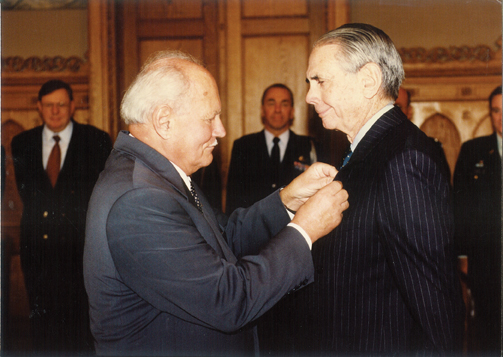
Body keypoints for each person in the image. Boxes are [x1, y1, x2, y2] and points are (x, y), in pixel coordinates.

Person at [83, 50, 349, 356]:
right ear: (164, 122)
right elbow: (228, 300)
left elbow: (221, 241)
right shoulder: (140, 198)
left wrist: (287, 200)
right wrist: (305, 229)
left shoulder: (156, 173)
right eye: (211, 118)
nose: (221, 130)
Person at [290, 23, 464, 354]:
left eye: (320, 81)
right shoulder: (368, 149)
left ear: (368, 80)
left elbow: (435, 308)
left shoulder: (403, 159)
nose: (310, 96)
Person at [11, 79, 113, 353]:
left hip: (80, 252)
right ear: (39, 107)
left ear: (72, 106)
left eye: (60, 104)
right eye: (48, 105)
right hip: (38, 252)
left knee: (80, 327)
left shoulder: (96, 140)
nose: (54, 111)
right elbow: (28, 195)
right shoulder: (22, 143)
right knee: (44, 330)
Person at [453, 85, 502, 353]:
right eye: (496, 110)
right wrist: (462, 255)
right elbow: (460, 207)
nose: (501, 117)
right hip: (485, 262)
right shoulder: (474, 151)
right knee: (484, 332)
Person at [225, 83, 319, 214]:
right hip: (253, 229)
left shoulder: (309, 145)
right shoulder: (243, 146)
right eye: (271, 103)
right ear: (262, 110)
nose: (278, 109)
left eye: (284, 104)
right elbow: (233, 200)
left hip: (296, 227)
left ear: (292, 111)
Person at [395, 86, 451, 182]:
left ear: (409, 112)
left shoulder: (430, 148)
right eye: (386, 107)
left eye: (398, 107)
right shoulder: (367, 147)